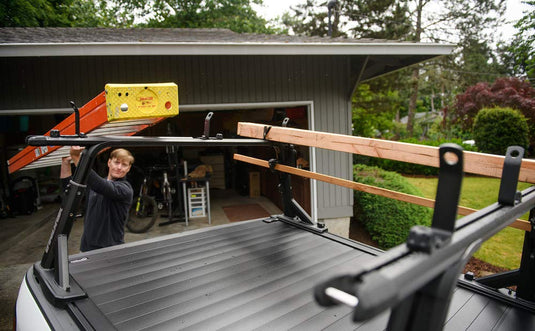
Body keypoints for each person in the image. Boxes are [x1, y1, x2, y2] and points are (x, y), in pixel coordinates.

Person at [61, 146, 134, 252]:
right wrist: (65, 163)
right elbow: (69, 191)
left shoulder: (125, 189)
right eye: (116, 162)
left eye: (124, 165)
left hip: (110, 249)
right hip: (86, 247)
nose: (119, 167)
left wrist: (76, 158)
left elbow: (100, 185)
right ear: (109, 163)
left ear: (128, 168)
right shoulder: (96, 184)